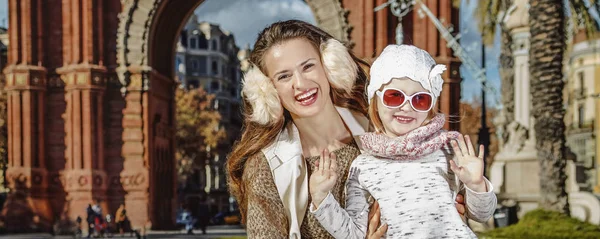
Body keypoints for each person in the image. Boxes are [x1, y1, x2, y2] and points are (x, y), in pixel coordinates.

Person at [226, 20, 468, 238]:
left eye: (308, 66)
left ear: (329, 66)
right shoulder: (266, 167)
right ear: (267, 92)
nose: (300, 84)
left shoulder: (385, 133)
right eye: (284, 76)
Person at [308, 45, 497, 238]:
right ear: (376, 101)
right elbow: (354, 234)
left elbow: (482, 214)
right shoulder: (362, 166)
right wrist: (322, 198)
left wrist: (476, 185)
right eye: (395, 96)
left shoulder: (449, 150)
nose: (407, 107)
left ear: (430, 107)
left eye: (420, 99)